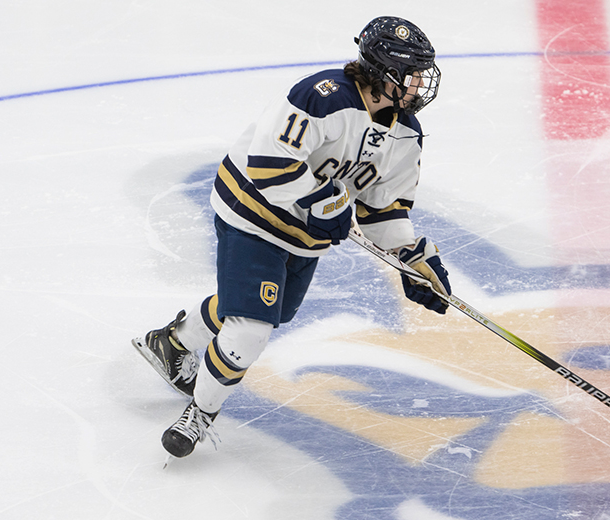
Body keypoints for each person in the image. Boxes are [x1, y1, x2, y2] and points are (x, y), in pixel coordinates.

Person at [132, 16, 451, 458]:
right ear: (383, 72)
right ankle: (200, 414)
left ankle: (172, 343)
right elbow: (269, 164)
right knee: (251, 329)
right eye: (411, 73)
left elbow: (383, 206)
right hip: (252, 214)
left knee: (261, 307)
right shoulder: (322, 97)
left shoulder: (405, 134)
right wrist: (323, 202)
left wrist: (411, 258)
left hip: (304, 239)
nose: (420, 84)